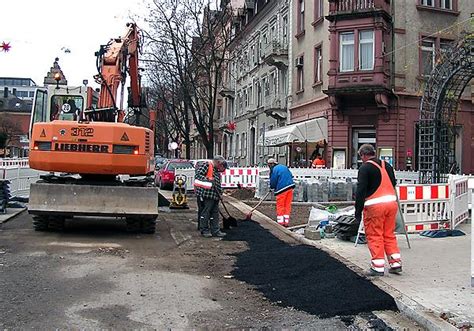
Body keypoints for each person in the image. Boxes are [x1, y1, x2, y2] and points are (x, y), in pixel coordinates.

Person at [355, 144, 402, 276]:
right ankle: (395, 262)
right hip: (391, 204)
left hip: (375, 207)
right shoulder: (387, 165)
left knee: (375, 235)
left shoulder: (365, 168)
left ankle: (378, 266)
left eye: (361, 157)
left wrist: (357, 212)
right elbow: (393, 183)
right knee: (389, 234)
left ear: (363, 155)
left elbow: (361, 190)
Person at [195, 155, 228, 238]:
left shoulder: (216, 171)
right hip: (206, 194)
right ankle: (204, 230)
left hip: (214, 195)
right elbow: (197, 176)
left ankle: (215, 230)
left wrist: (220, 193)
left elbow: (217, 183)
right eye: (222, 167)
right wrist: (208, 179)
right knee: (206, 212)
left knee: (215, 213)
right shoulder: (207, 165)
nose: (222, 170)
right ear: (218, 163)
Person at [267, 158, 295, 227]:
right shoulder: (284, 167)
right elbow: (291, 176)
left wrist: (272, 187)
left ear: (271, 164)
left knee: (280, 205)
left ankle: (280, 223)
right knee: (287, 205)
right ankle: (286, 222)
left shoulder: (274, 170)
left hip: (281, 190)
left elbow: (273, 181)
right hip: (290, 187)